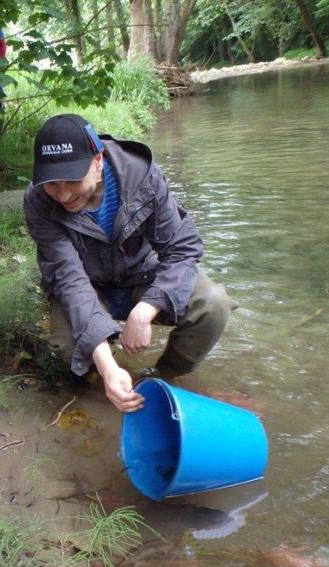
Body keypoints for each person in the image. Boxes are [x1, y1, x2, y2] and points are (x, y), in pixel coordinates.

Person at [23, 114, 235, 413]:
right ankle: (104, 383)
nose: (63, 194)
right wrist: (108, 367)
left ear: (98, 160)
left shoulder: (142, 175)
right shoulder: (38, 201)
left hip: (142, 275)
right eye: (52, 184)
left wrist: (146, 310)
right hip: (89, 284)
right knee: (66, 345)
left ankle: (165, 377)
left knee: (213, 304)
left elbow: (182, 248)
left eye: (72, 180)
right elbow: (69, 280)